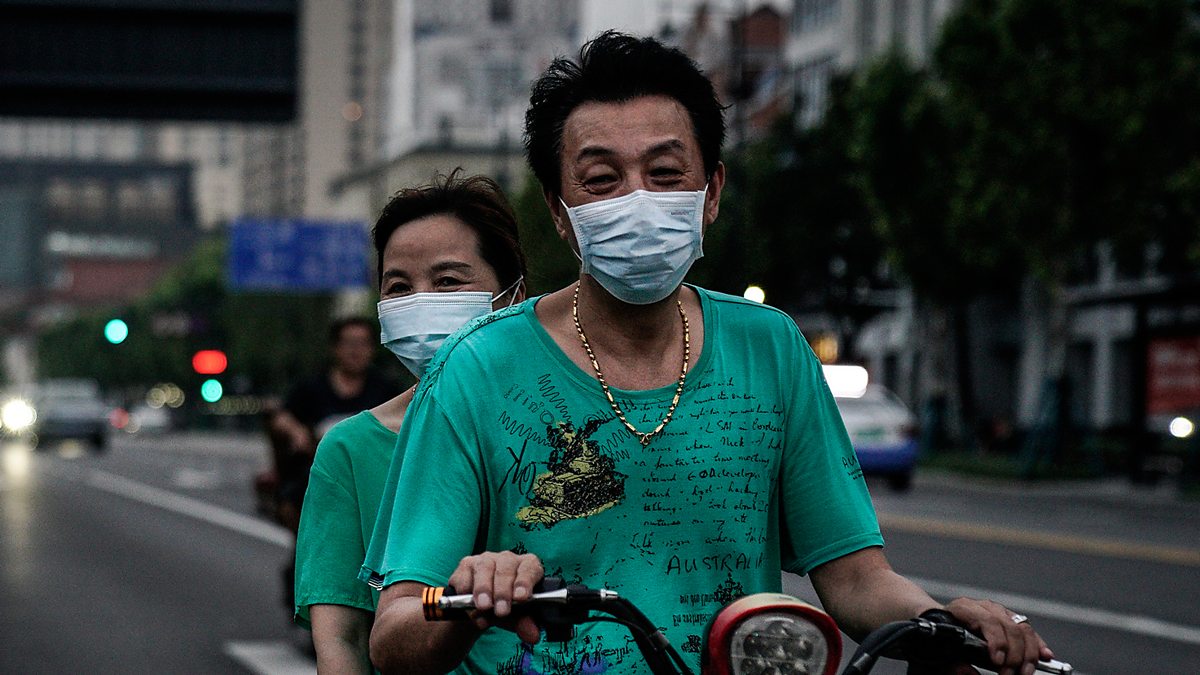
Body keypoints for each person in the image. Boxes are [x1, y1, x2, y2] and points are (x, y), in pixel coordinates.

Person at [364, 32, 1054, 675]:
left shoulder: (772, 349)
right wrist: (467, 599)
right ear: (558, 210)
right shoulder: (474, 369)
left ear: (712, 191)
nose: (638, 200)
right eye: (601, 179)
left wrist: (943, 621)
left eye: (665, 172)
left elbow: (855, 579)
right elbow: (394, 635)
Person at [293, 170, 527, 674]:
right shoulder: (351, 449)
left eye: (448, 282)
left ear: (512, 296)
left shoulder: (571, 428)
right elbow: (342, 642)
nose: (421, 302)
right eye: (399, 286)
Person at [267, 317, 402, 613]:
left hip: (373, 480)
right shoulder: (312, 387)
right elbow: (281, 417)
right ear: (335, 348)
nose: (356, 351)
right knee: (297, 506)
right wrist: (296, 431)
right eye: (349, 343)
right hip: (318, 477)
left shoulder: (385, 388)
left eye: (363, 344)